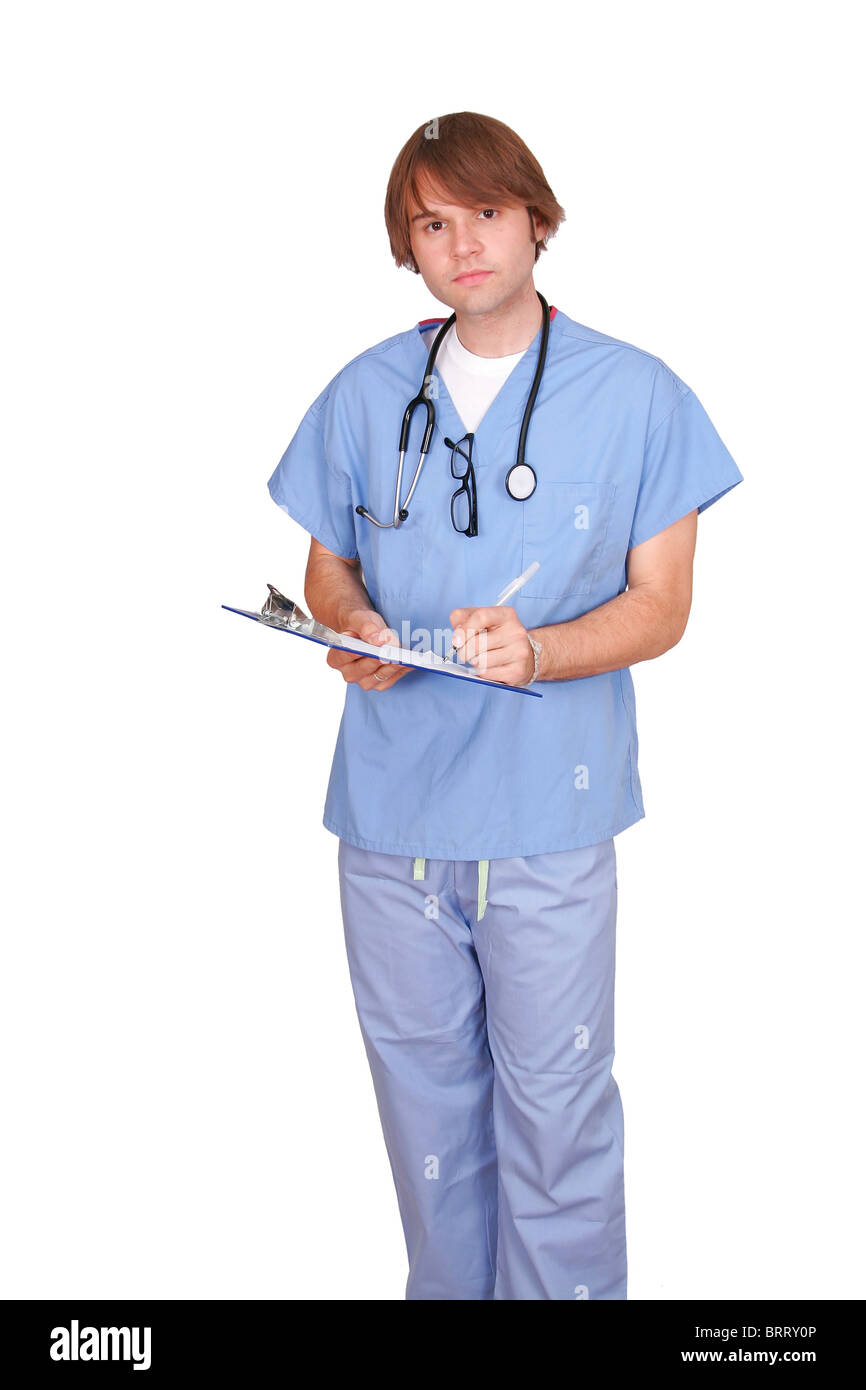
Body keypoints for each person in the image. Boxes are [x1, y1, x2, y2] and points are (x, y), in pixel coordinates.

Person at [266, 111, 743, 1301]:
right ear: (407, 246)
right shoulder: (366, 391)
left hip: (545, 825)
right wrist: (352, 627)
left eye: (484, 212)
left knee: (557, 1123)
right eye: (431, 222)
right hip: (390, 823)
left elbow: (662, 607)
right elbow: (331, 563)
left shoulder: (637, 396)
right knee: (428, 1135)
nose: (462, 243)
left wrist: (538, 653)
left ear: (535, 218)